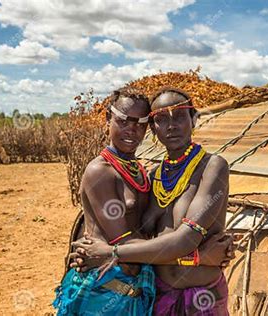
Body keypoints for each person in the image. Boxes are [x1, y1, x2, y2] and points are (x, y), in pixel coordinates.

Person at [54, 88, 232, 316]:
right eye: (160, 120)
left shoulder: (212, 167)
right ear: (155, 129)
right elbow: (135, 236)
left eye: (179, 116)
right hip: (149, 294)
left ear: (194, 119)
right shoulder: (154, 176)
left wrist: (110, 253)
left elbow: (186, 239)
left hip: (202, 299)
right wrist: (200, 257)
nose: (171, 126)